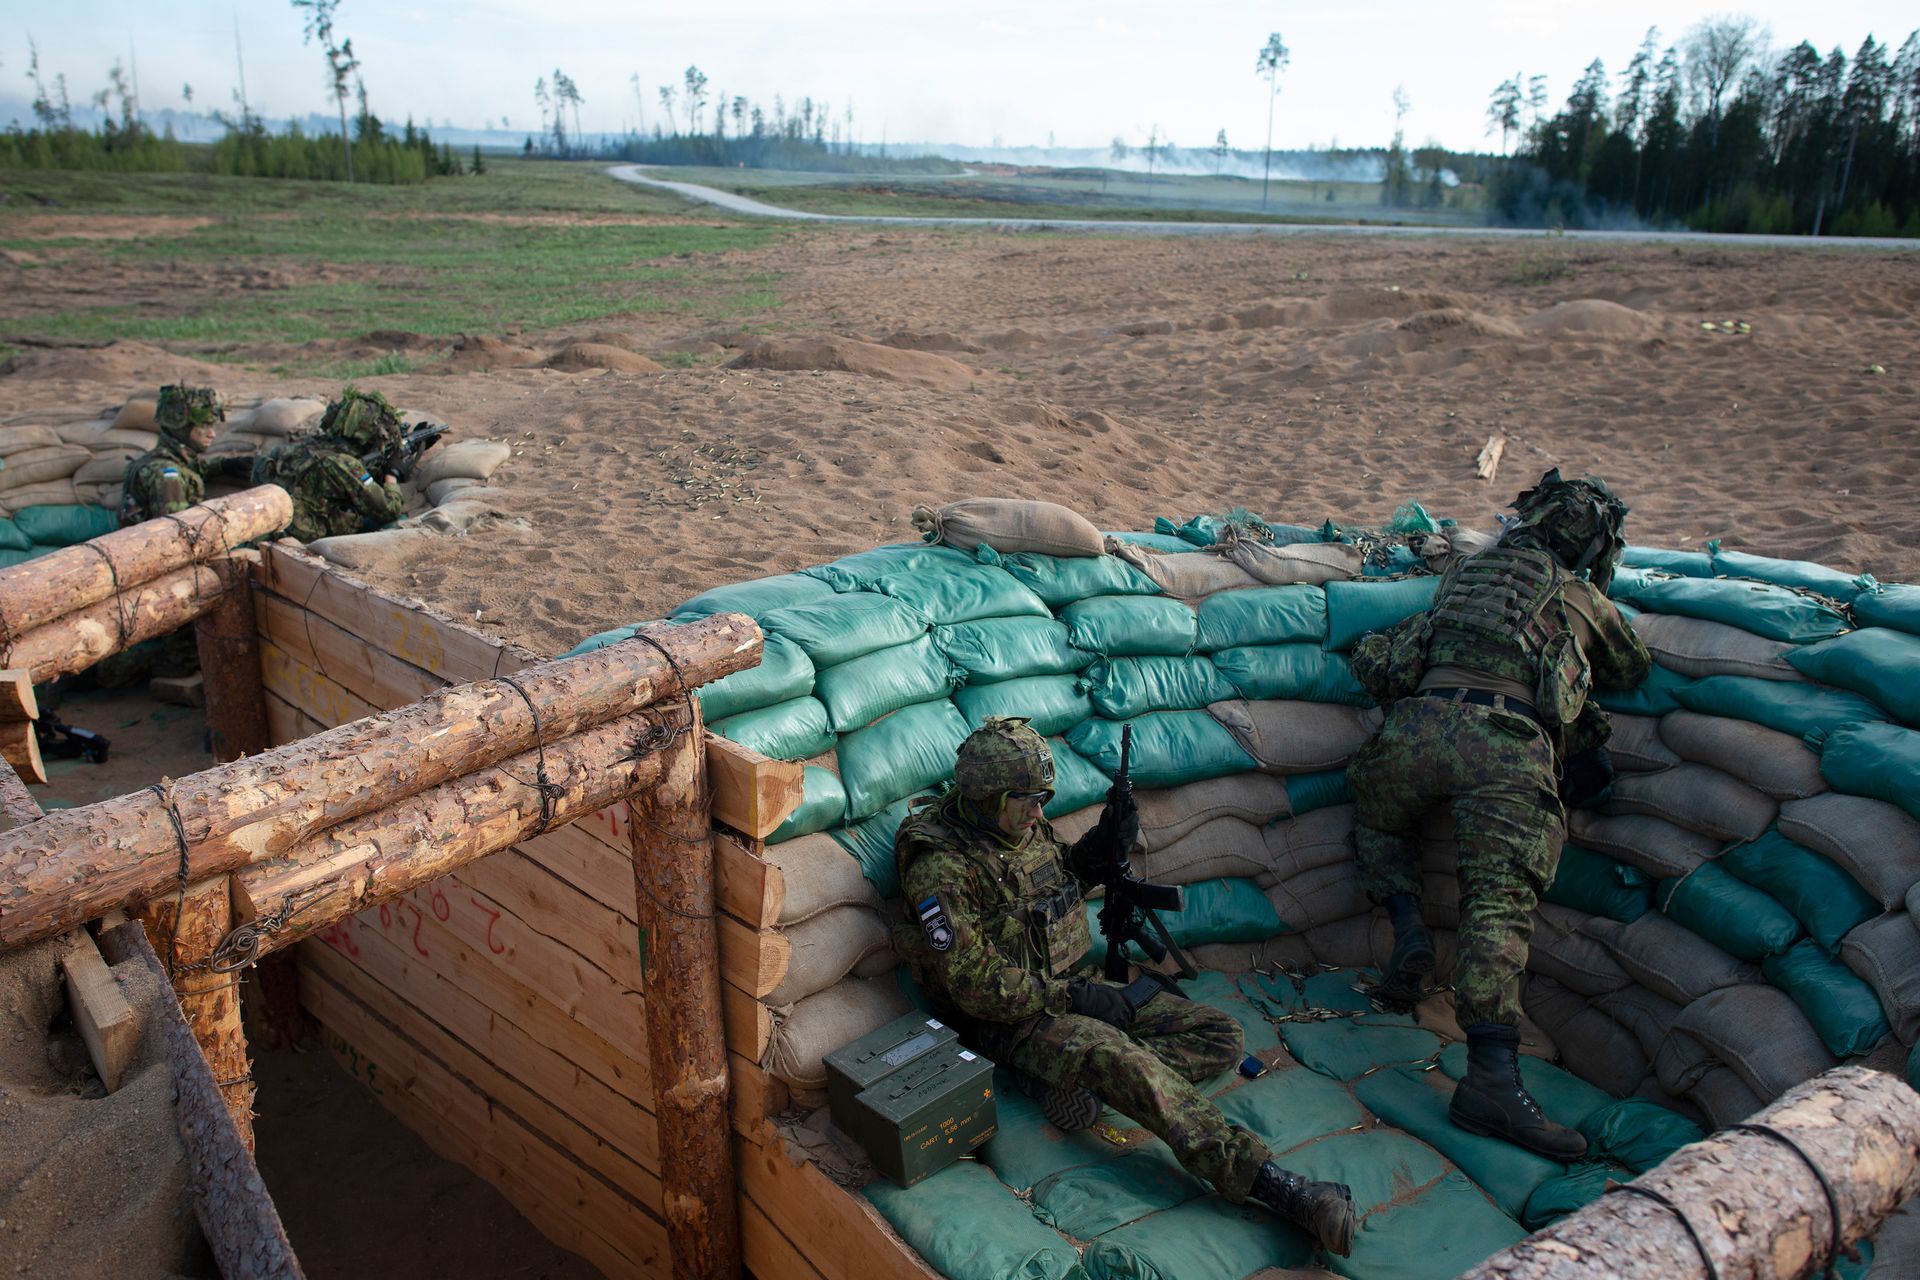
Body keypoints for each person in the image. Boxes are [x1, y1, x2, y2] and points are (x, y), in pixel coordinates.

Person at [893, 717, 1355, 1257]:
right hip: (1009, 1022)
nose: (1039, 812)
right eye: (1026, 800)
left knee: (1220, 1035)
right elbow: (972, 983)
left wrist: (1105, 840)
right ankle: (1276, 1185)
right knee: (1130, 1064)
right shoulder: (940, 865)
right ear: (988, 794)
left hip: (1068, 991)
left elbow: (1058, 880)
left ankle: (1087, 1077)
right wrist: (1073, 999)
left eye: (1043, 798)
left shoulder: (1019, 827)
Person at [1347, 468, 1652, 1161]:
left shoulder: (1465, 575)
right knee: (1498, 905)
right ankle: (1490, 1078)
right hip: (1504, 745)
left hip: (1415, 729)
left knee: (1379, 821)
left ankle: (1406, 932)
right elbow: (1633, 667)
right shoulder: (1575, 593)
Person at [256, 387, 408, 543]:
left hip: (278, 520)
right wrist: (392, 475)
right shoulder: (345, 464)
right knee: (398, 521)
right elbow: (390, 509)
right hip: (308, 534)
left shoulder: (303, 446)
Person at [121, 385, 255, 523]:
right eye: (204, 426)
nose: (212, 434)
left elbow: (192, 468)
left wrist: (225, 465)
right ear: (182, 428)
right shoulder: (168, 476)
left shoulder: (167, 459)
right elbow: (174, 530)